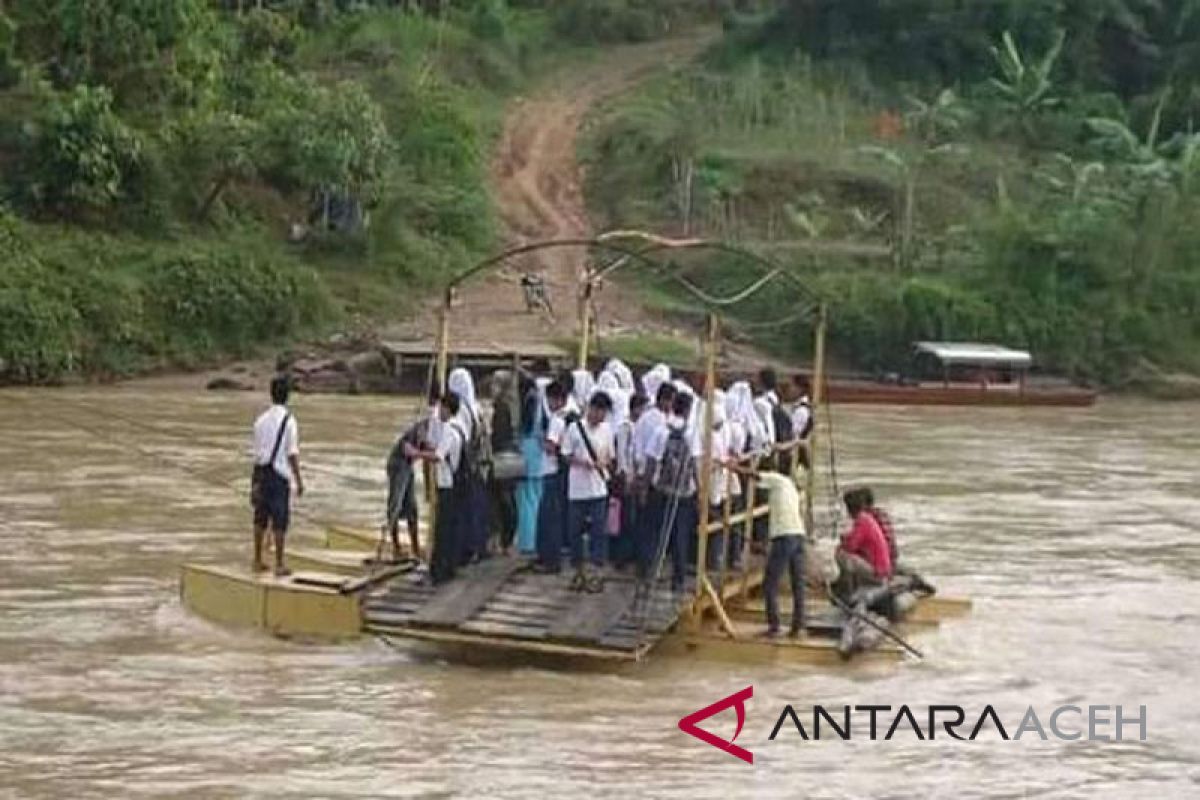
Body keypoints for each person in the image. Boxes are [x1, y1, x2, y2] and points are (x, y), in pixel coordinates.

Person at [728, 462, 807, 637]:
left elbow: (754, 475)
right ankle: (798, 625)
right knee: (798, 584)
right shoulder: (792, 489)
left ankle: (774, 626)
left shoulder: (778, 479)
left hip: (784, 537)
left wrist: (732, 467)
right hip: (798, 535)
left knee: (769, 584)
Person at [409, 392, 466, 585]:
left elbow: (438, 456)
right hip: (454, 484)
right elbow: (440, 450)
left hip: (447, 484)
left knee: (443, 531)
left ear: (448, 409)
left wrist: (416, 453)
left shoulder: (450, 430)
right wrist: (426, 443)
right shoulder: (459, 428)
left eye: (441, 407)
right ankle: (447, 569)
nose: (438, 411)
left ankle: (439, 573)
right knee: (449, 528)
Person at [251, 376, 304, 576]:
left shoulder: (260, 420)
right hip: (279, 475)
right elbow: (292, 454)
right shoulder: (289, 421)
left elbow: (256, 453)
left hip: (260, 472)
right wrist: (299, 481)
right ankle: (280, 563)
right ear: (287, 395)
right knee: (280, 519)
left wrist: (255, 481)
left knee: (260, 517)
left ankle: (257, 560)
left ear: (271, 394)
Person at [645, 391, 698, 592]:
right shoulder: (691, 433)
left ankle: (652, 571)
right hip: (684, 493)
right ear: (688, 409)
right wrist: (700, 491)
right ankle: (678, 578)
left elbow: (652, 460)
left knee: (657, 531)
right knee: (681, 536)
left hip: (662, 489)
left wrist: (646, 485)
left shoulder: (661, 430)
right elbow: (694, 464)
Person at [562, 392, 614, 582]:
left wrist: (604, 463)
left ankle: (596, 564)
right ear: (592, 409)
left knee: (599, 528)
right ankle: (577, 565)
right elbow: (565, 455)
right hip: (577, 489)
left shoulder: (607, 430)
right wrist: (582, 463)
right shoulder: (575, 429)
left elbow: (610, 455)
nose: (601, 418)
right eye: (599, 413)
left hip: (598, 488)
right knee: (574, 529)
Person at [383, 390, 436, 562]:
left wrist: (429, 488)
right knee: (396, 505)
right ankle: (396, 548)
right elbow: (425, 455)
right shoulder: (427, 425)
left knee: (412, 508)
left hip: (408, 464)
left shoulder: (435, 427)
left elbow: (427, 459)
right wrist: (429, 488)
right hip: (398, 463)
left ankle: (415, 548)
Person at [632, 382, 676, 579]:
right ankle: (649, 566)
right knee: (652, 524)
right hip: (652, 479)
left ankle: (645, 563)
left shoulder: (645, 417)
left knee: (644, 523)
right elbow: (653, 456)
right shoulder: (658, 423)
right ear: (665, 400)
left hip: (642, 474)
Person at [448, 368, 490, 564]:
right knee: (477, 507)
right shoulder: (477, 407)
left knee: (464, 510)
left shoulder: (462, 410)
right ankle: (478, 547)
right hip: (480, 466)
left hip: (467, 466)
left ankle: (466, 549)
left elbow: (460, 439)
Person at [833, 488, 893, 601]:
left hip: (878, 572)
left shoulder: (862, 520)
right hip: (882, 568)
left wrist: (842, 544)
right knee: (847, 555)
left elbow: (851, 546)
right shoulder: (867, 519)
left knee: (841, 555)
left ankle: (847, 591)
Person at [534, 381, 569, 573]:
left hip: (552, 472)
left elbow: (551, 446)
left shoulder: (557, 419)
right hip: (560, 474)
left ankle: (550, 560)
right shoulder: (572, 414)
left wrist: (541, 440)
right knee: (555, 516)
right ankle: (551, 557)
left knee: (549, 518)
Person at [612, 392, 647, 569]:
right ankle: (621, 557)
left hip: (636, 478)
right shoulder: (625, 427)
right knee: (626, 519)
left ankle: (631, 554)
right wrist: (626, 476)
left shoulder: (639, 427)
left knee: (635, 518)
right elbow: (622, 454)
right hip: (627, 478)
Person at [488, 370, 519, 555]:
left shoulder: (501, 408)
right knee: (509, 498)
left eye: (494, 385)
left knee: (501, 500)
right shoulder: (514, 406)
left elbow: (499, 436)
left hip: (502, 456)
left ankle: (503, 540)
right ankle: (508, 540)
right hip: (513, 455)